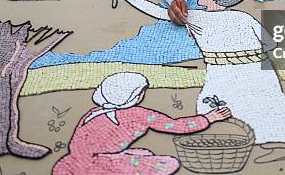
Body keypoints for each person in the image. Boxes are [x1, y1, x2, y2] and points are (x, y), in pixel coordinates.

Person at [111, 0, 285, 163]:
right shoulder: (243, 16)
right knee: (232, 103)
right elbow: (269, 43)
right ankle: (254, 142)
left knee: (263, 104)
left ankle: (281, 143)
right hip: (243, 67)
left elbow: (161, 12)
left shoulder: (200, 17)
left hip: (237, 70)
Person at [53, 72, 231, 175]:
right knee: (169, 164)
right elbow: (175, 126)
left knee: (143, 152)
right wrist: (209, 118)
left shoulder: (93, 113)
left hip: (71, 162)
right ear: (135, 96)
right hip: (98, 165)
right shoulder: (139, 114)